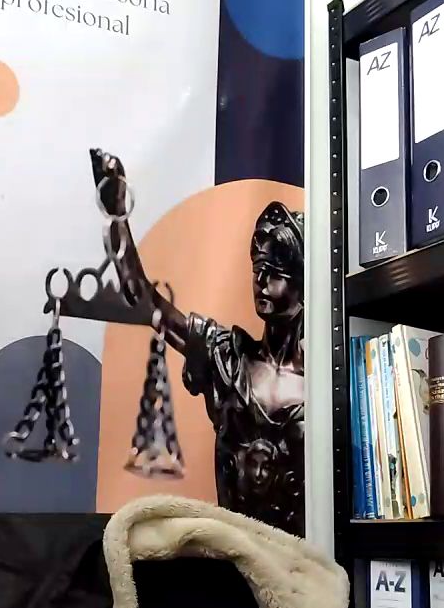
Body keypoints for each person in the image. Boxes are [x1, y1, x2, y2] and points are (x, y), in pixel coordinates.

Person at [91, 150, 306, 535]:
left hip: (306, 559)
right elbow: (143, 299)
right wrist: (116, 218)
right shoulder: (227, 358)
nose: (261, 282)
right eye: (258, 269)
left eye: (275, 273)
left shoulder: (327, 378)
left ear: (304, 281)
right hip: (235, 555)